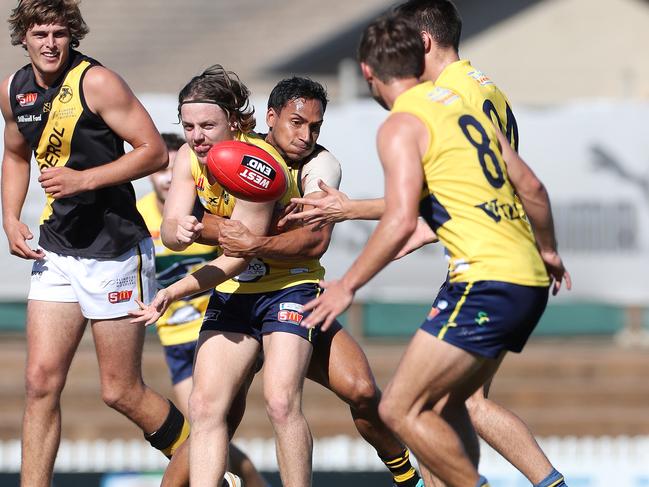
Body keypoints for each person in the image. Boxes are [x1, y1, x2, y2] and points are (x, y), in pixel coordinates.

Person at [285, 1, 569, 485]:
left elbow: (401, 215)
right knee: (447, 403)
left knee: (399, 407)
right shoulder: (470, 100)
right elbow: (530, 188)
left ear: (369, 72)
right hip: (522, 271)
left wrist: (348, 284)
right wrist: (547, 250)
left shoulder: (407, 121)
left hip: (485, 274)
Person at [133, 68, 423, 487]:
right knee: (207, 409)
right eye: (189, 126)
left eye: (207, 126)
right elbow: (186, 228)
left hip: (292, 290)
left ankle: (405, 473)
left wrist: (238, 241)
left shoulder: (294, 166)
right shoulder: (193, 160)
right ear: (269, 118)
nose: (196, 135)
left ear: (233, 121)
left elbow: (304, 244)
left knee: (325, 394)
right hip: (238, 290)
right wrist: (183, 231)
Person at [0, 2, 188, 486]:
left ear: (72, 37)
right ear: (23, 36)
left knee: (120, 390)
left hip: (115, 250)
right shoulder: (14, 90)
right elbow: (16, 154)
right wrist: (9, 217)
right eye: (40, 33)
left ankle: (206, 458)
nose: (49, 43)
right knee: (40, 383)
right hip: (57, 249)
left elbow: (151, 151)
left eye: (59, 33)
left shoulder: (97, 82)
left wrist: (85, 181)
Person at [136, 133, 270, 487]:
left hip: (211, 329)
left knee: (210, 423)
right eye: (159, 169)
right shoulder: (141, 216)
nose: (166, 177)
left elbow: (230, 263)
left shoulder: (205, 211)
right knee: (205, 430)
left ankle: (239, 478)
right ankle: (231, 478)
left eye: (171, 168)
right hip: (173, 339)